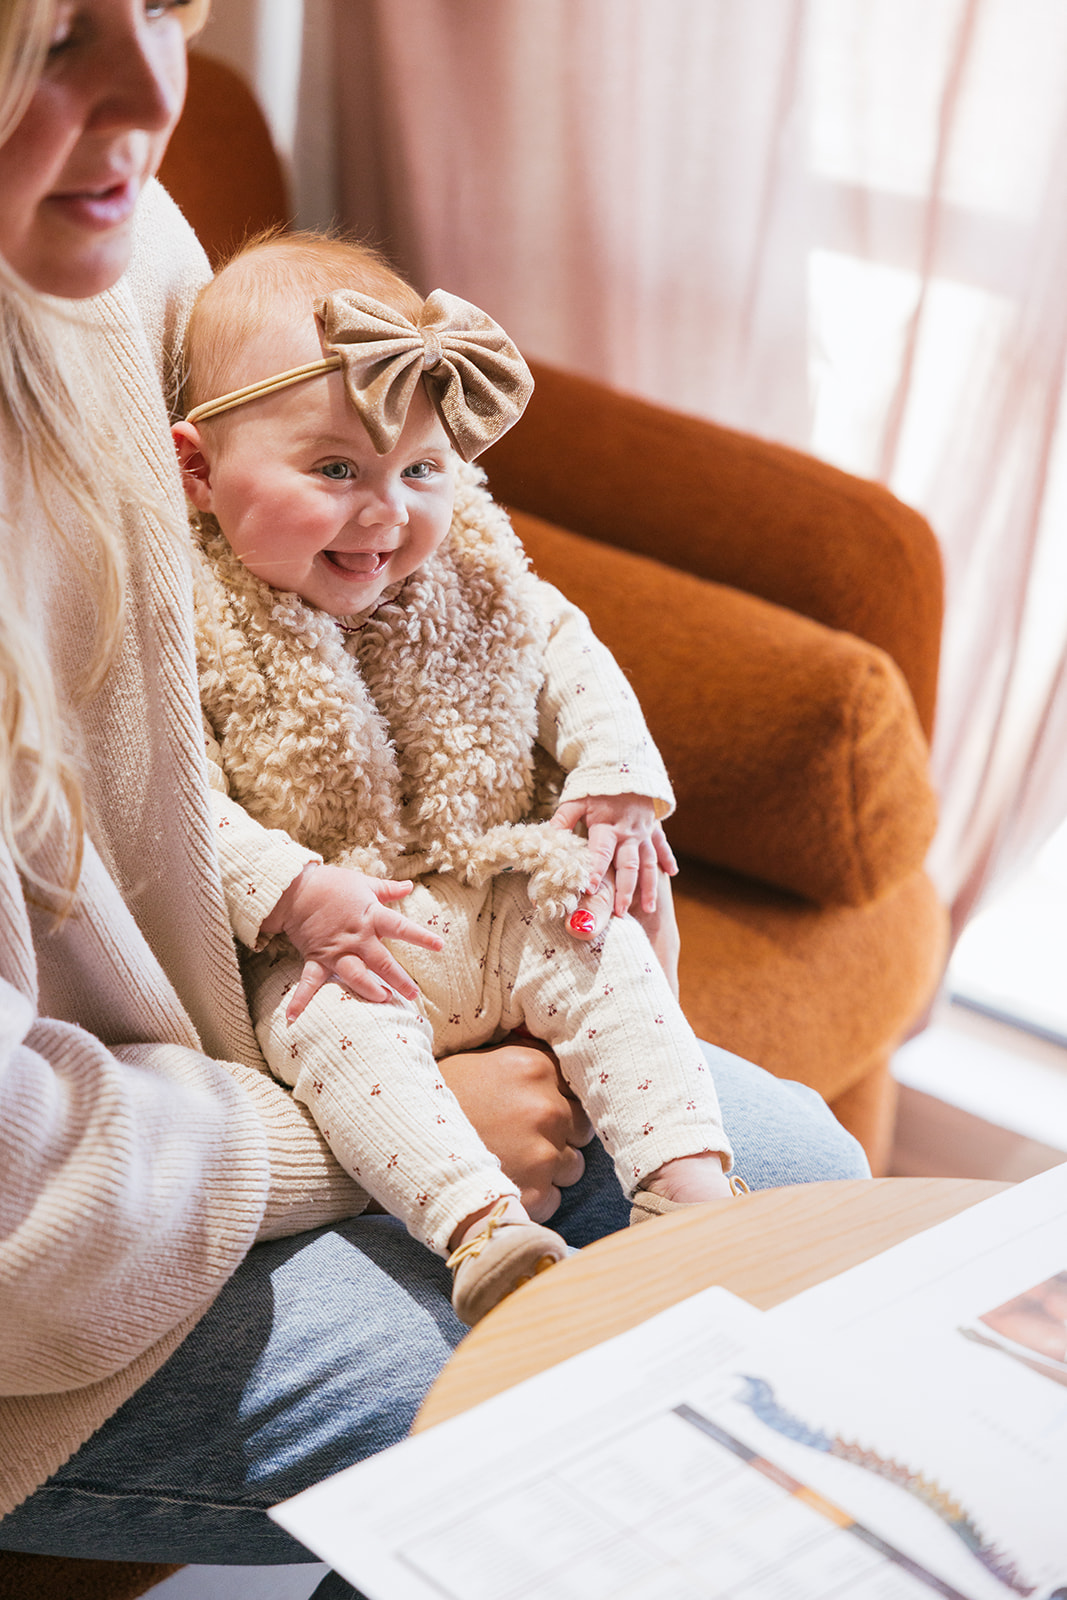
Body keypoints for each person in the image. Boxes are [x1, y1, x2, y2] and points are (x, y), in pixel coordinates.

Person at [0, 2, 867, 1593]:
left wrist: (590, 792)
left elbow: (441, 543)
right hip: (58, 1253)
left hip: (322, 989)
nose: (150, 89)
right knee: (591, 1424)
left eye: (157, 7)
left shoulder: (105, 223)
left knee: (801, 1190)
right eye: (51, 38)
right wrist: (363, 1137)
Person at [175, 232, 742, 1327]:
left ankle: (692, 1193)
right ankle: (485, 1229)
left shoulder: (470, 562)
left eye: (420, 470)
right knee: (331, 1028)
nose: (387, 513)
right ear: (199, 471)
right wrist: (292, 889)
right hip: (351, 938)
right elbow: (184, 808)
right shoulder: (188, 620)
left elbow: (565, 651)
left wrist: (618, 780)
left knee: (595, 933)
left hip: (489, 884)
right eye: (333, 469)